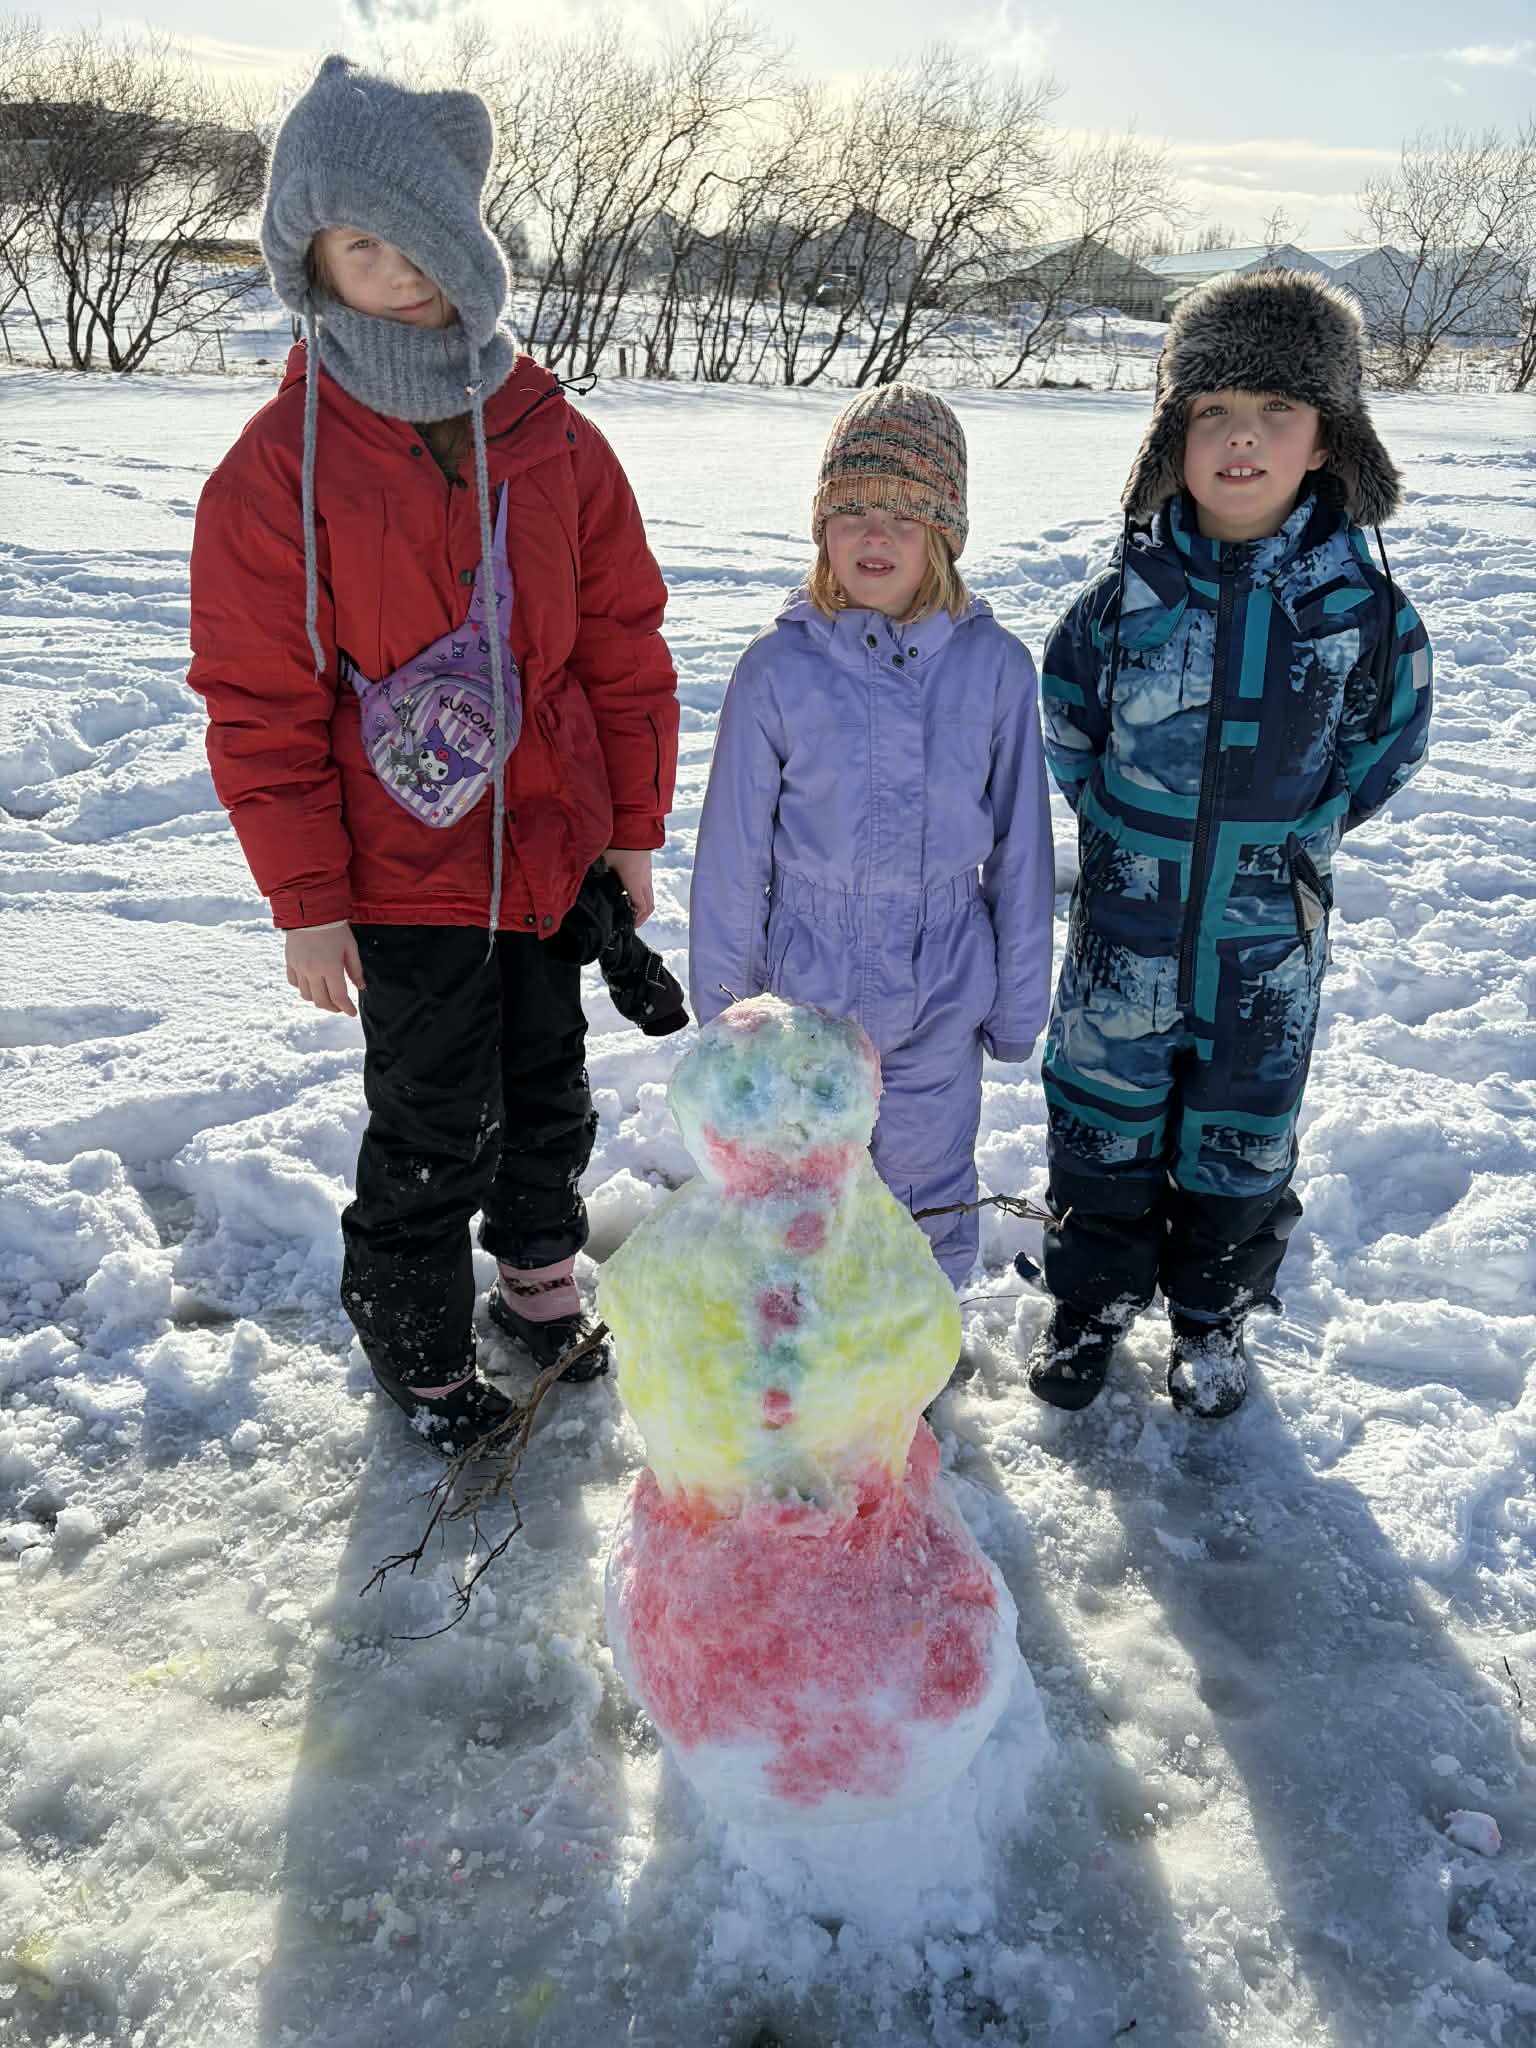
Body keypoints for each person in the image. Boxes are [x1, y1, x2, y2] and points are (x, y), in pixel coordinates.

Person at [187, 57, 679, 1454]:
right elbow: (258, 699)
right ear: (311, 257)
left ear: (467, 245)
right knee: (429, 1118)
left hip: (546, 851)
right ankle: (415, 1342)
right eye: (361, 243)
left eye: (417, 239)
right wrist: (306, 900)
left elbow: (621, 644)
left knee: (550, 1089)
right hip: (397, 877)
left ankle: (536, 1279)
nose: (395, 269)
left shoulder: (554, 439)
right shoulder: (278, 468)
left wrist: (630, 824)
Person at [1027, 269, 1432, 1420]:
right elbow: (1070, 725)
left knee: (1242, 1144)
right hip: (1125, 937)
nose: (1242, 436)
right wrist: (1127, 835)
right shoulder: (1120, 605)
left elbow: (1386, 744)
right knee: (1100, 1124)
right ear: (1174, 434)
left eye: (1276, 409)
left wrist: (1295, 838)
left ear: (1327, 440)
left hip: (1267, 952)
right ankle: (1091, 1303)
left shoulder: (1362, 615)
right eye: (1214, 409)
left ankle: (1212, 1320)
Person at [688, 385, 1054, 1291]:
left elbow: (1022, 852)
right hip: (807, 988)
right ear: (822, 529)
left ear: (944, 531)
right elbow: (732, 853)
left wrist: (1018, 1003)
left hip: (943, 987)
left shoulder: (995, 669)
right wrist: (728, 1013)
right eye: (850, 511)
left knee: (926, 1183)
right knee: (799, 1193)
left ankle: (918, 1348)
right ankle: (801, 1349)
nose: (874, 534)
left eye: (902, 513)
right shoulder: (777, 670)